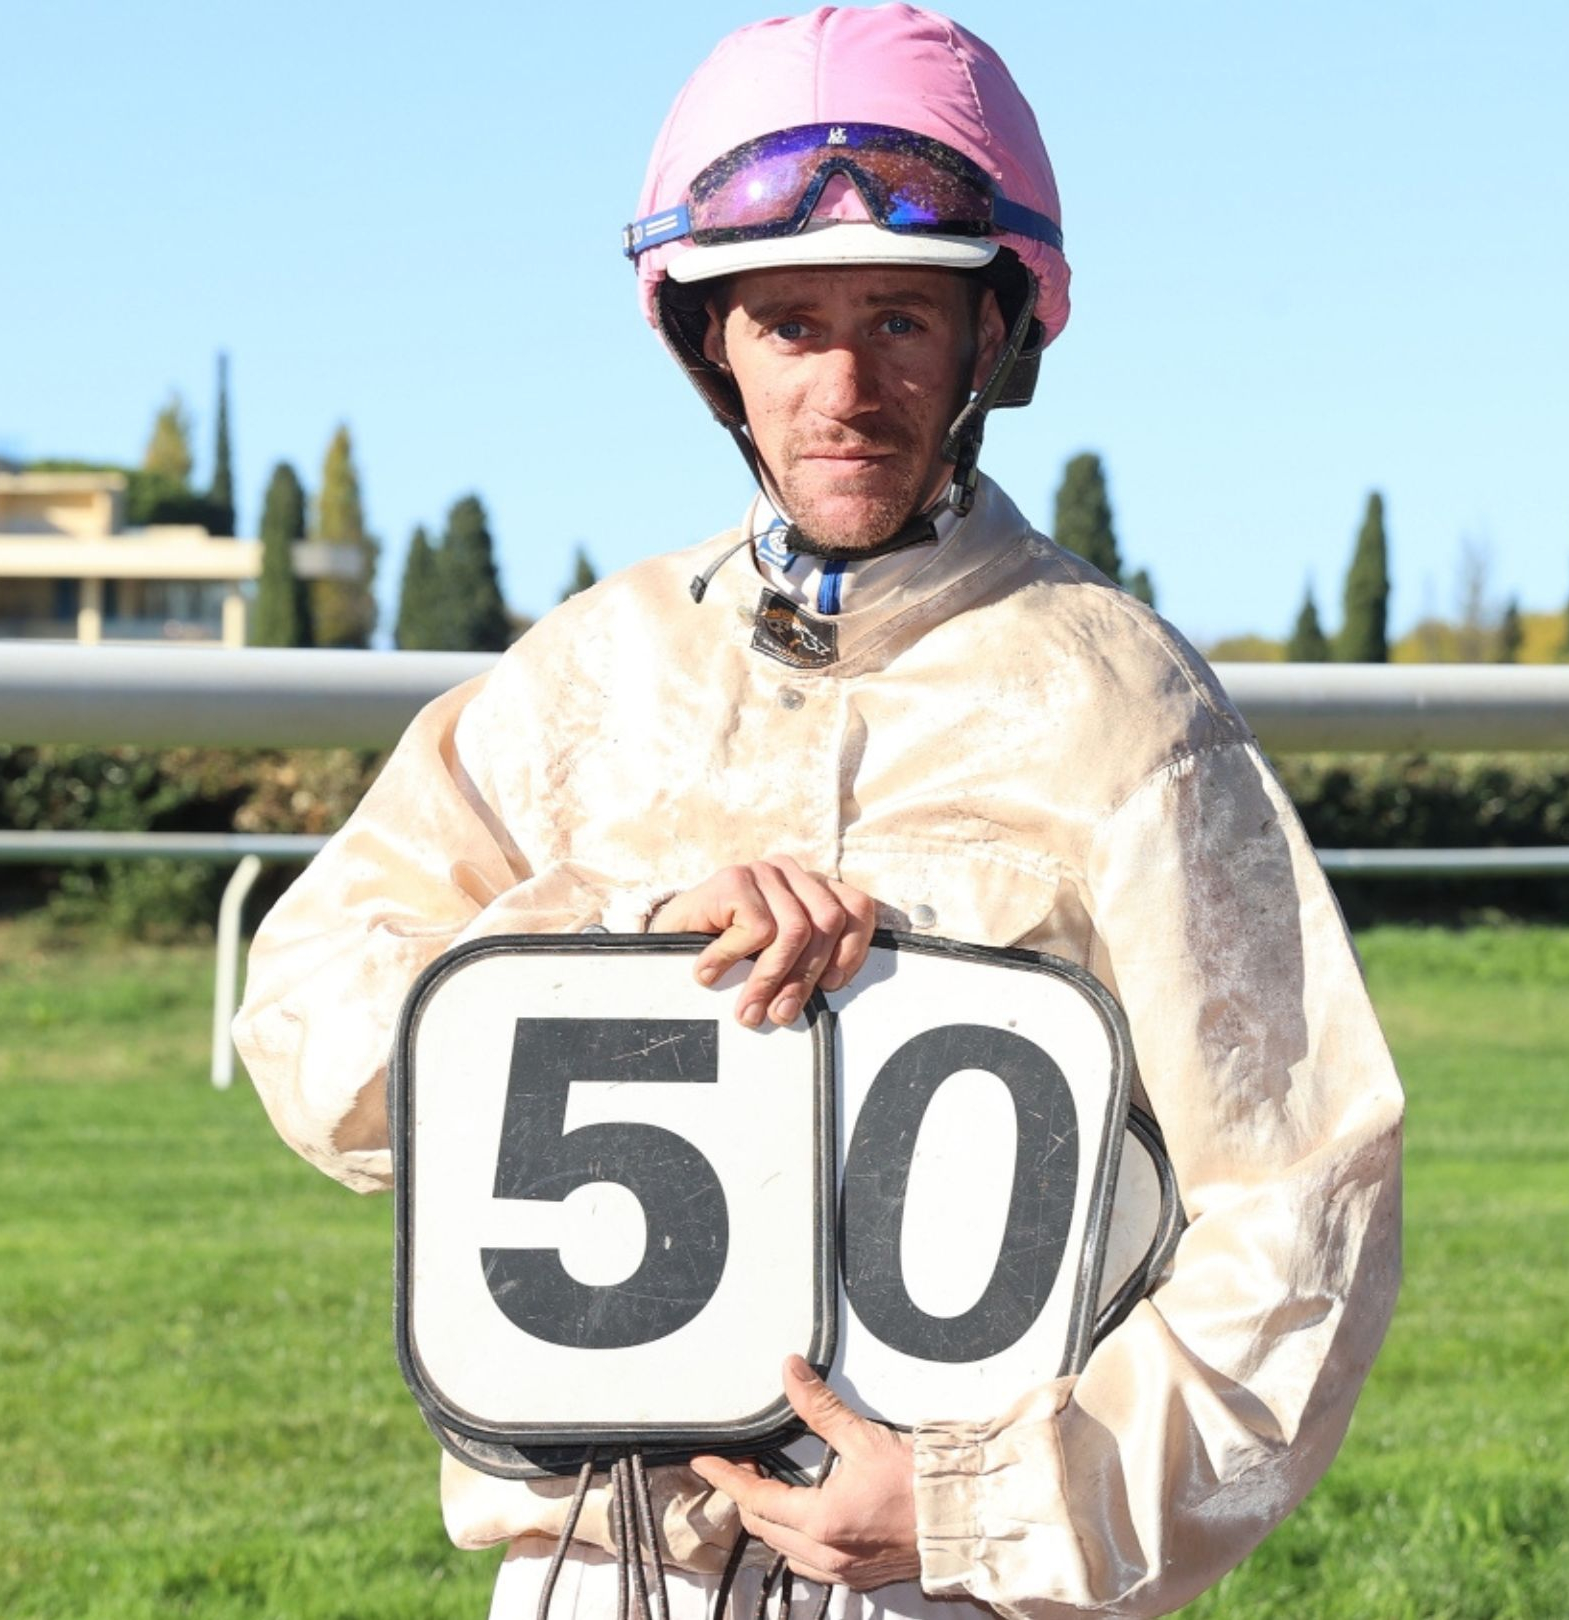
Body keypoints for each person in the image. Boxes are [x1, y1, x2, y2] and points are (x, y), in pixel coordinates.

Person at [231, 7, 1404, 1616]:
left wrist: (985, 1506)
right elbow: (309, 1028)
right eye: (791, 324)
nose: (847, 388)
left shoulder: (1126, 707)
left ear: (991, 338)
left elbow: (1302, 1202)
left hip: (957, 1582)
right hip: (599, 1567)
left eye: (901, 320)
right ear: (711, 342)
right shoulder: (585, 678)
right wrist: (624, 950)